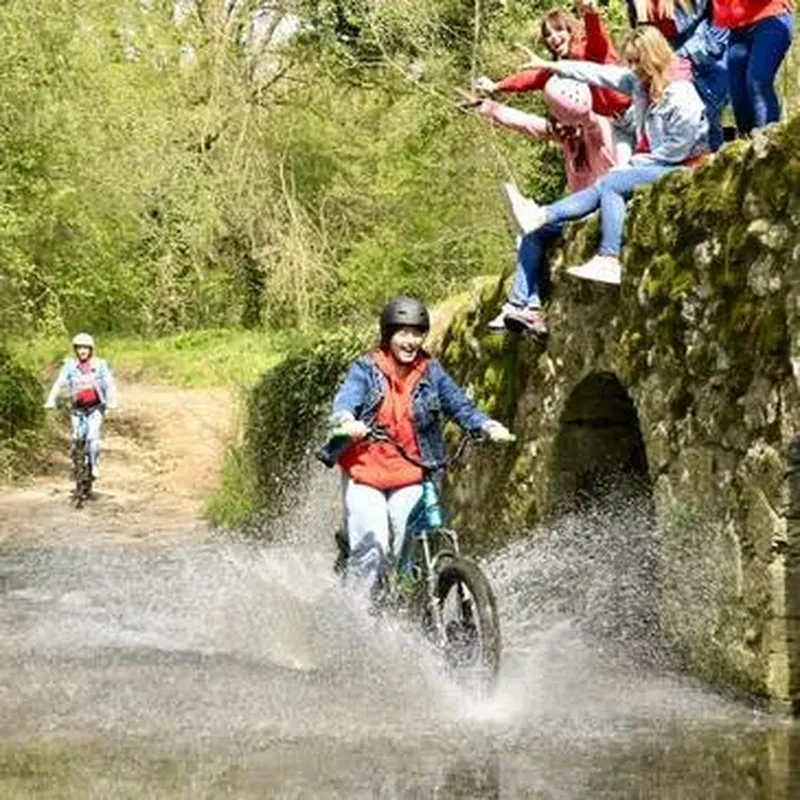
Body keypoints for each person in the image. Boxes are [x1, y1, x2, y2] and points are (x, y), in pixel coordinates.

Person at [320, 296, 514, 597]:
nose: (411, 341)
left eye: (417, 333)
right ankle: (353, 624)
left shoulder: (430, 371)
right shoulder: (366, 368)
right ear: (388, 335)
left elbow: (459, 404)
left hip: (411, 474)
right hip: (366, 475)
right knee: (374, 550)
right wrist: (346, 420)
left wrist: (485, 425)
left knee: (410, 550)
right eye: (403, 333)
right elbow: (348, 397)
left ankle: (406, 607)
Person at [505, 26, 709, 286]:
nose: (633, 68)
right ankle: (541, 216)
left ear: (654, 57)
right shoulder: (640, 83)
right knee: (606, 183)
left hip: (687, 164)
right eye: (631, 62)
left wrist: (635, 164)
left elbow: (679, 147)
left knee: (613, 182)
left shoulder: (680, 94)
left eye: (638, 61)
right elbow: (598, 73)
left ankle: (610, 258)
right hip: (663, 162)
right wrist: (551, 66)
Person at [470, 76, 629, 337]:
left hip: (603, 208)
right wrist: (487, 108)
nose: (559, 129)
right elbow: (528, 124)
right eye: (555, 123)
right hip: (577, 214)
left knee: (539, 222)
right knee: (532, 234)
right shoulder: (567, 136)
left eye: (562, 121)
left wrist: (566, 98)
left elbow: (587, 116)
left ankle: (525, 304)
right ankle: (526, 306)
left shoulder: (596, 129)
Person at [474, 0, 632, 160]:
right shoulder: (560, 68)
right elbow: (531, 78)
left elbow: (598, 41)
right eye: (548, 35)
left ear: (570, 31)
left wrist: (591, 15)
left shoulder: (585, 50)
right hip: (615, 124)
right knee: (625, 171)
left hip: (633, 110)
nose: (553, 38)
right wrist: (497, 85)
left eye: (558, 30)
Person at [627, 0, 729, 150]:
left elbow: (721, 20)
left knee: (707, 118)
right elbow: (641, 27)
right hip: (663, 51)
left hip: (704, 52)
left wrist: (696, 53)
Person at [713, 0, 794, 135]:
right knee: (738, 94)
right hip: (737, 30)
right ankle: (747, 146)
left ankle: (768, 142)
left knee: (757, 81)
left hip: (770, 19)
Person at [44, 333, 117, 480]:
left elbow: (109, 384)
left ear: (91, 349)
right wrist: (51, 400)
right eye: (79, 348)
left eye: (86, 348)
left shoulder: (100, 365)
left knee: (92, 438)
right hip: (77, 409)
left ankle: (94, 465)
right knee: (77, 437)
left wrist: (111, 402)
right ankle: (75, 462)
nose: (83, 351)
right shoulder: (69, 366)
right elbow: (59, 383)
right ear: (75, 350)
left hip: (95, 408)